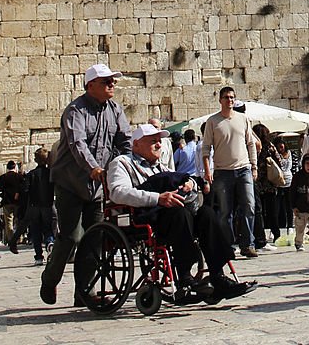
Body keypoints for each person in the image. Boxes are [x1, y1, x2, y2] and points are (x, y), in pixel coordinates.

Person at [106, 124, 254, 301]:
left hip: (172, 214)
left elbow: (181, 176)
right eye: (153, 141)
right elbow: (118, 192)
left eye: (160, 141)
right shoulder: (122, 163)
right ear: (136, 144)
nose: (159, 145)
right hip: (145, 218)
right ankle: (184, 278)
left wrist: (190, 183)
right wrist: (157, 198)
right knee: (179, 214)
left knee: (206, 214)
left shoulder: (161, 167)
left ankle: (218, 275)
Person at [41, 63, 131, 305]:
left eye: (113, 81)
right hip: (71, 182)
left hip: (98, 187)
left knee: (95, 237)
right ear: (90, 85)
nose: (112, 85)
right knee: (70, 236)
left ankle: (84, 291)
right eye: (106, 81)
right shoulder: (75, 111)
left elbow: (125, 142)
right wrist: (93, 168)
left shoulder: (115, 110)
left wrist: (126, 167)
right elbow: (77, 144)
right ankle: (50, 279)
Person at [202, 86, 259, 259]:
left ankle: (248, 244)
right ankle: (228, 245)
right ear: (220, 100)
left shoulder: (243, 119)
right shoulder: (213, 121)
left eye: (232, 97)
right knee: (226, 212)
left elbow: (251, 143)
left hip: (243, 169)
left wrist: (254, 166)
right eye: (226, 97)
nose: (230, 100)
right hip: (222, 171)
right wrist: (207, 170)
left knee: (249, 206)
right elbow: (206, 148)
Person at [22, 148, 55, 265]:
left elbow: (25, 190)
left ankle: (38, 257)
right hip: (48, 205)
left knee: (36, 230)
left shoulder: (31, 175)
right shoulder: (51, 173)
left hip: (34, 206)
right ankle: (50, 242)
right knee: (48, 227)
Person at [0, 161, 22, 249]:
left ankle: (11, 239)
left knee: (8, 221)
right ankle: (19, 238)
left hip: (7, 202)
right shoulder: (19, 176)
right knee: (18, 220)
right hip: (17, 202)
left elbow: (0, 188)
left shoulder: (2, 177)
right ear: (15, 167)